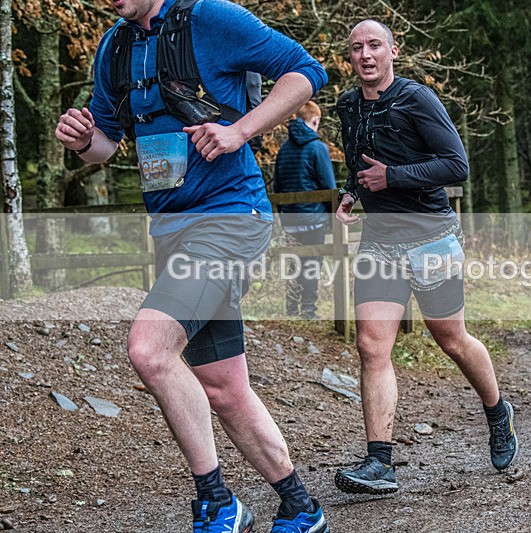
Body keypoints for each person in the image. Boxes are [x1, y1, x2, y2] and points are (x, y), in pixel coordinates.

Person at [54, 0, 329, 531]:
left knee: (150, 349)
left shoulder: (211, 18)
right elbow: (106, 145)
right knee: (224, 386)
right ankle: (301, 506)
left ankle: (217, 501)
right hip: (172, 231)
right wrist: (84, 141)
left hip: (230, 218)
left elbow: (305, 71)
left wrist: (240, 130)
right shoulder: (114, 46)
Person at [332, 19, 518, 495]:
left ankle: (498, 411)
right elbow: (359, 161)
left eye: (375, 45)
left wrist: (392, 177)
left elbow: (457, 165)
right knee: (371, 345)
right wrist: (352, 192)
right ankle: (380, 462)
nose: (366, 54)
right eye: (357, 47)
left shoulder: (417, 98)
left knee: (452, 340)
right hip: (380, 241)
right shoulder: (347, 105)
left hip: (431, 238)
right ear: (350, 57)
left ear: (393, 51)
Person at [274, 101, 337, 319]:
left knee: (294, 263)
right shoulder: (317, 148)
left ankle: (292, 308)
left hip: (290, 219)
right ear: (315, 120)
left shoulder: (283, 150)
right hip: (313, 218)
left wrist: (283, 215)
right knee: (312, 263)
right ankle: (309, 310)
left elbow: (278, 187)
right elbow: (329, 188)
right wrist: (333, 218)